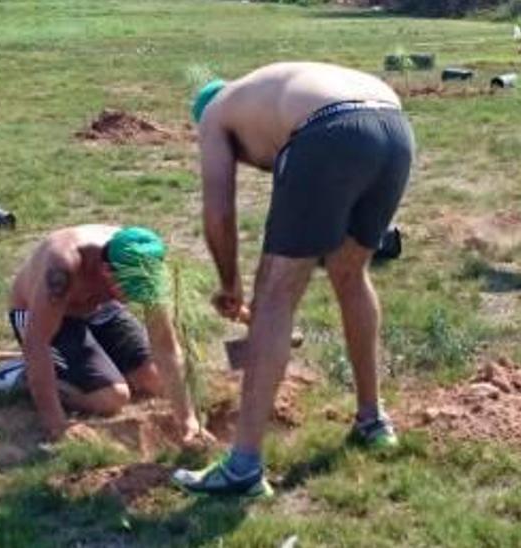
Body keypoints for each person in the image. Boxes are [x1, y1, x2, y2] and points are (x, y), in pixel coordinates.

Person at [172, 62, 414, 496]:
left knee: (275, 294)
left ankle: (243, 467)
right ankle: (373, 421)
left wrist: (230, 284)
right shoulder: (265, 93)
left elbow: (218, 213)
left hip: (329, 131)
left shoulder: (214, 115)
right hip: (394, 126)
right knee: (350, 271)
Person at [0, 225, 205, 444]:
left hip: (98, 307)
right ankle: (26, 376)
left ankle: (93, 368)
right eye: (130, 289)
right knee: (112, 398)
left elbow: (165, 346)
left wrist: (188, 418)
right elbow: (36, 342)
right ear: (106, 271)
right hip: (41, 317)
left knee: (157, 381)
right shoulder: (61, 270)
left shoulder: (143, 261)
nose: (136, 298)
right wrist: (57, 425)